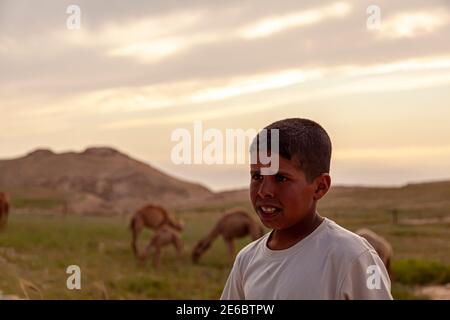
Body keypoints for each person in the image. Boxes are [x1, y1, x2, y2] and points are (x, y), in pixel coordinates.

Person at [221, 118, 392, 300]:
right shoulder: (246, 260)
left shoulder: (353, 257)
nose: (264, 191)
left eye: (281, 178)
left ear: (320, 187)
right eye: (257, 176)